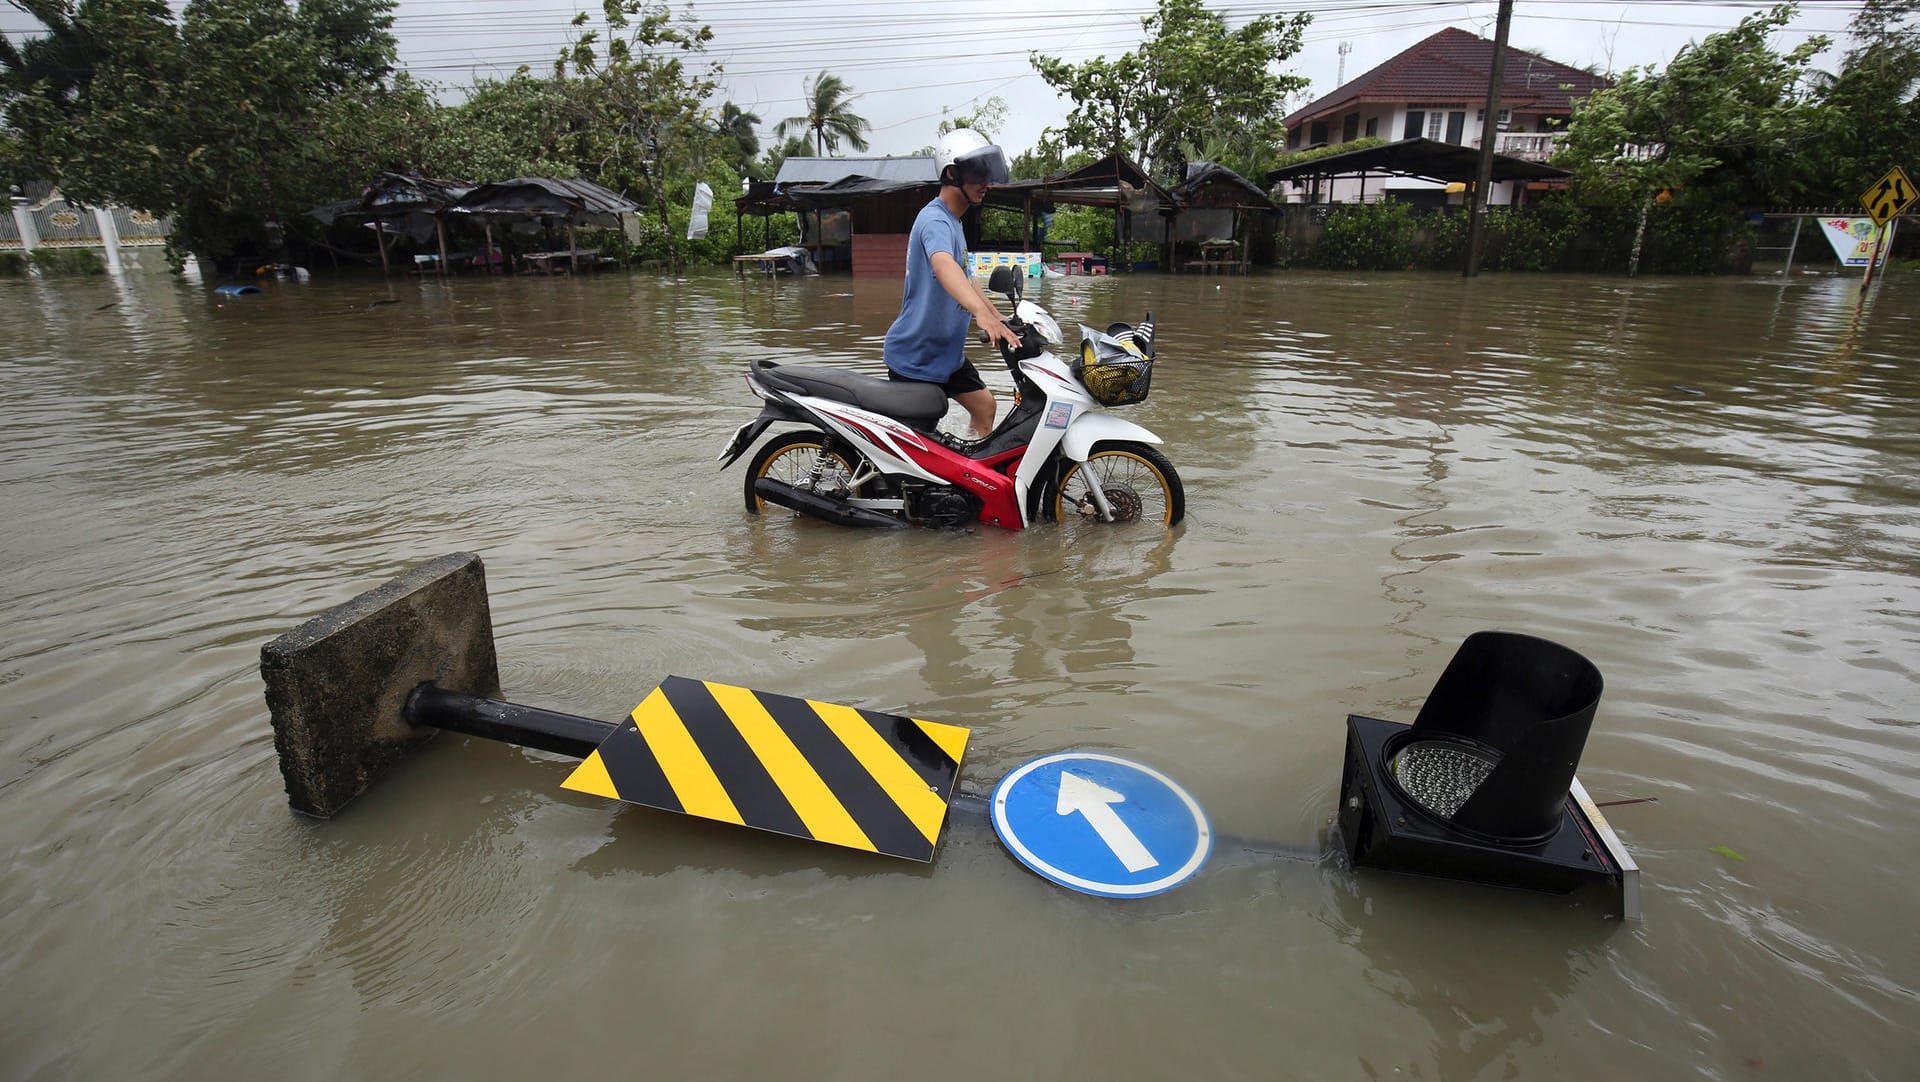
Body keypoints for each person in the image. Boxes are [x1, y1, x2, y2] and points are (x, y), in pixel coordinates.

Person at [883, 128, 1021, 442]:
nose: (986, 183)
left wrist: (997, 316)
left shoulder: (954, 222)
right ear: (952, 173)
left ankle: (967, 482)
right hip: (917, 357)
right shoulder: (934, 220)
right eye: (978, 174)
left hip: (946, 355)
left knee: (985, 407)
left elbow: (966, 277)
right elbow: (943, 265)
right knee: (919, 451)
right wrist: (979, 314)